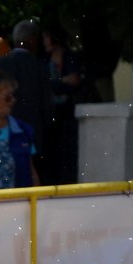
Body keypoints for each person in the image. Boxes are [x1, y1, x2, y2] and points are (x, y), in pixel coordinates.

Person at [0, 20, 53, 183]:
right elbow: (47, 106)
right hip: (33, 135)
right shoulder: (40, 68)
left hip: (1, 134)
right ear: (33, 40)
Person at [42, 24, 82, 184]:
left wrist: (57, 83)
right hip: (51, 114)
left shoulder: (71, 57)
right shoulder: (44, 60)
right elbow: (46, 85)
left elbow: (75, 82)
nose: (44, 41)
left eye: (46, 37)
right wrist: (64, 80)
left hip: (67, 113)